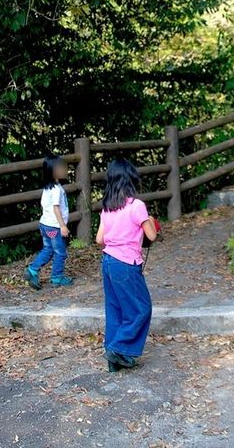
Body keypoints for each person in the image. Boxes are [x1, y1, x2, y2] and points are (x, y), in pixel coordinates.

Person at [95, 158, 158, 372]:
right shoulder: (136, 206)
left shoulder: (107, 208)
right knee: (142, 309)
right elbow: (152, 235)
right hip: (126, 264)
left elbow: (99, 239)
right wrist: (149, 220)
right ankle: (118, 347)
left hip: (108, 261)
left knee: (115, 310)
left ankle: (115, 361)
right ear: (131, 179)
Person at [26, 155, 74, 289]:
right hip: (54, 228)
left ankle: (33, 270)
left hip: (45, 226)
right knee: (60, 252)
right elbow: (56, 208)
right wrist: (63, 226)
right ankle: (57, 277)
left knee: (48, 249)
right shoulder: (57, 190)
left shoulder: (48, 188)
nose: (65, 170)